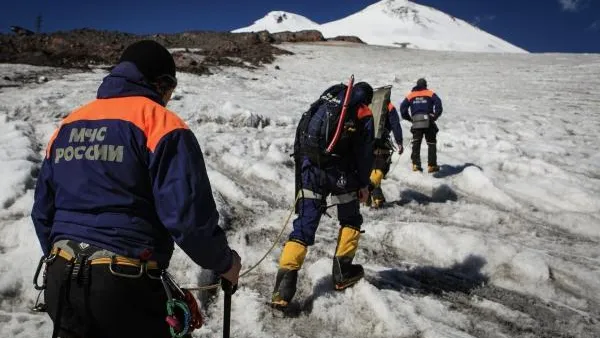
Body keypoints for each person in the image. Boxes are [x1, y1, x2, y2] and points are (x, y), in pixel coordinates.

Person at [31, 40, 242, 338]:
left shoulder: (69, 125)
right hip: (124, 285)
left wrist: (62, 260)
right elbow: (187, 216)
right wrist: (225, 262)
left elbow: (42, 212)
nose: (169, 98)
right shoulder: (161, 124)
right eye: (171, 90)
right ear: (161, 83)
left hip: (60, 277)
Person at [271, 81, 375, 309]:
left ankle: (282, 291)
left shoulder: (328, 99)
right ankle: (343, 273)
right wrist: (364, 184)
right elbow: (365, 153)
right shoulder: (363, 111)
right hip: (341, 173)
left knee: (303, 226)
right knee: (350, 219)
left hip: (310, 167)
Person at [399, 78, 443, 173]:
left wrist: (409, 118)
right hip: (428, 120)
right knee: (431, 142)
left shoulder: (411, 95)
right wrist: (435, 115)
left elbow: (403, 108)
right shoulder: (430, 93)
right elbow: (438, 103)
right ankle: (432, 165)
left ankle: (416, 164)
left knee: (416, 142)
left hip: (416, 120)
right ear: (425, 85)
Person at [367, 101, 404, 209]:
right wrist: (399, 142)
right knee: (378, 170)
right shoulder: (388, 106)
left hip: (365, 143)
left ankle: (369, 199)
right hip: (382, 143)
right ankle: (376, 198)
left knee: (369, 172)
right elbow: (395, 124)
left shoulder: (367, 105)